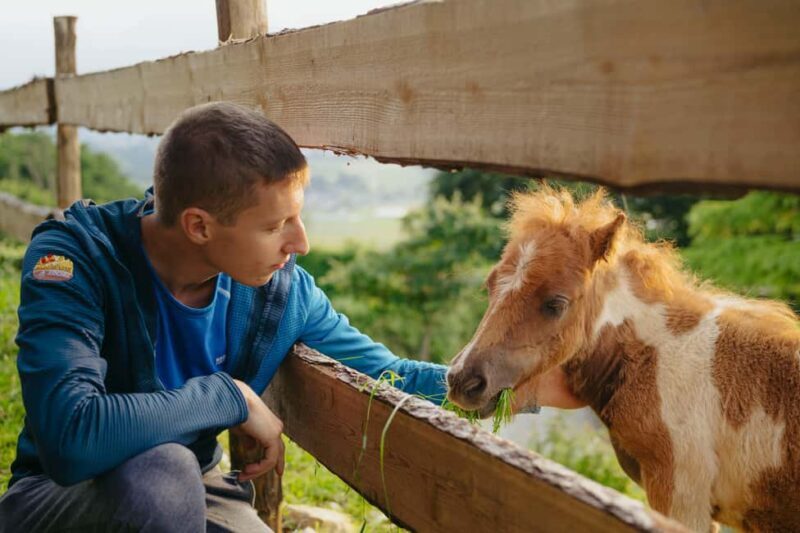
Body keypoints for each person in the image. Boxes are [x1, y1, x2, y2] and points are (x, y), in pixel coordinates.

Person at [0, 102, 580, 532]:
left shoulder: (279, 293)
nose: (300, 242)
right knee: (163, 474)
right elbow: (72, 435)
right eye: (276, 225)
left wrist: (531, 389)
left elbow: (391, 378)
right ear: (200, 226)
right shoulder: (77, 259)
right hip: (60, 499)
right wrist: (229, 396)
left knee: (179, 478)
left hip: (197, 491)